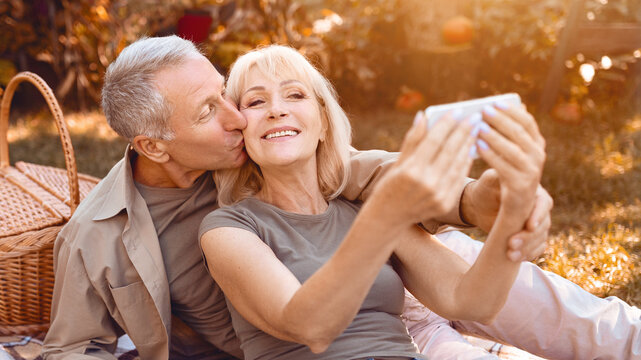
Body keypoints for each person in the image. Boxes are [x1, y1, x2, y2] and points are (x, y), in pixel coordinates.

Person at [40, 36, 638, 360]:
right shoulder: (111, 234)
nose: (239, 115)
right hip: (312, 319)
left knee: (536, 300)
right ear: (157, 145)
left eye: (227, 94)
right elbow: (71, 348)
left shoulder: (280, 157)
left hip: (388, 286)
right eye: (214, 110)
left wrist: (501, 201)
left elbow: (372, 177)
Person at [199, 44, 545, 359]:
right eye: (256, 102)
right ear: (242, 134)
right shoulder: (228, 227)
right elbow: (311, 327)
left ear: (322, 124)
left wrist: (511, 216)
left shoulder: (361, 209)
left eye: (294, 95)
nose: (276, 110)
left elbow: (469, 300)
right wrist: (387, 213)